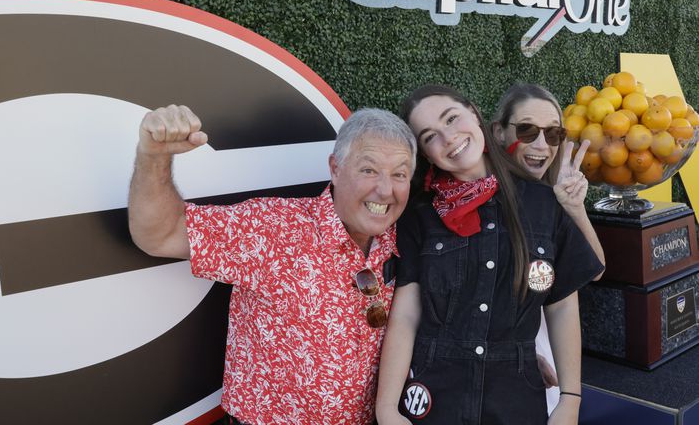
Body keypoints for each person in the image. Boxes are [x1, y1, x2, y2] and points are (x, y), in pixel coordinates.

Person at [128, 104, 417, 425]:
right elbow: (160, 234)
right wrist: (154, 156)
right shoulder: (272, 227)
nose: (385, 189)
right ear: (335, 168)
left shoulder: (399, 241)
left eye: (399, 174)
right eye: (369, 170)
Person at [375, 86, 604, 425]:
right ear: (426, 154)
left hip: (516, 394)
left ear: (475, 115)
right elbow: (406, 314)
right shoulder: (418, 214)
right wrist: (387, 408)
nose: (449, 138)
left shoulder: (542, 203)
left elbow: (562, 305)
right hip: (434, 394)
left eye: (452, 119)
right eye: (430, 137)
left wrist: (570, 398)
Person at [491, 83, 606, 414]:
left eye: (553, 134)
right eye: (527, 130)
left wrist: (574, 208)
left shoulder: (550, 197)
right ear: (499, 132)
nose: (542, 145)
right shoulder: (479, 197)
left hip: (544, 363)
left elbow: (594, 269)